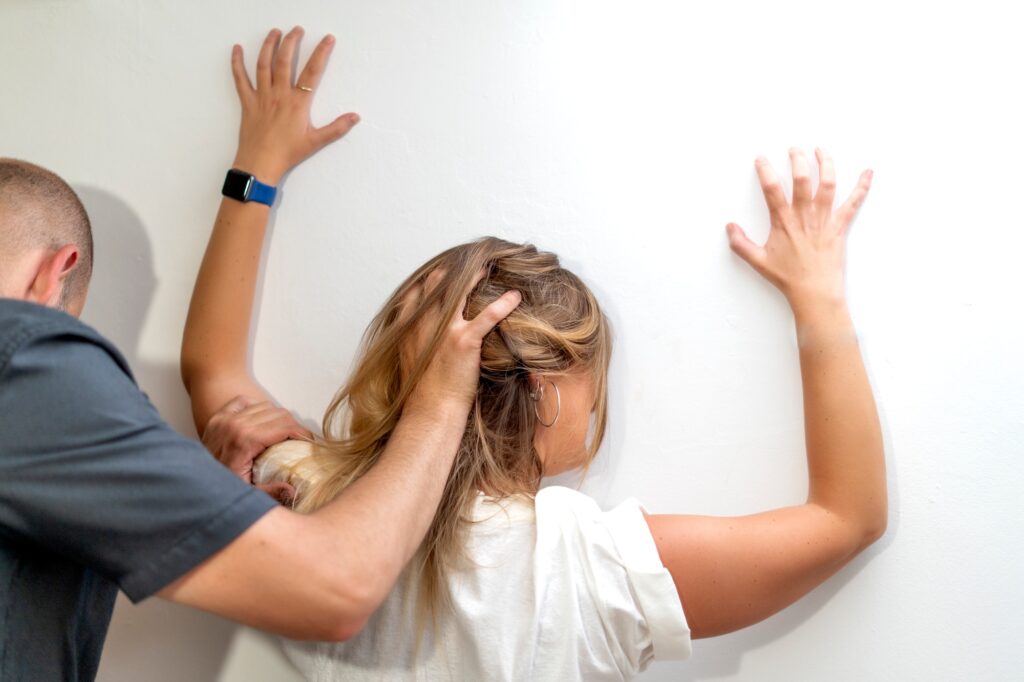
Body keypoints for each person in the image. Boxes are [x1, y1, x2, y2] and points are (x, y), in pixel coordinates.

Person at [184, 26, 888, 682]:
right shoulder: (590, 569)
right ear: (548, 393)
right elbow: (847, 518)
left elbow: (211, 370)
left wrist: (258, 161)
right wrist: (817, 293)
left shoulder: (299, 494)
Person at [0, 29, 518, 682]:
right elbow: (337, 588)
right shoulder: (18, 359)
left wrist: (257, 172)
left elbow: (214, 373)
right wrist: (441, 397)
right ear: (57, 273)